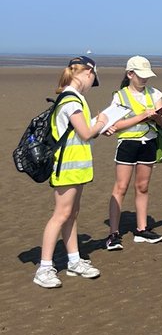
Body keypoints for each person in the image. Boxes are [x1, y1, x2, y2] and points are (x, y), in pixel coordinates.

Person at [33, 56, 109, 289]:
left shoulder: (76, 99)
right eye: (92, 78)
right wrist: (102, 120)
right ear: (87, 73)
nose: (91, 83)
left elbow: (81, 132)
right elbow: (85, 133)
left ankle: (74, 260)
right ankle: (44, 267)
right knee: (61, 214)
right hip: (66, 167)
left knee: (72, 213)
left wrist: (100, 125)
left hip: (77, 168)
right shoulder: (71, 100)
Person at [105, 56, 162, 249]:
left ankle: (142, 229)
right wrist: (141, 116)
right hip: (127, 144)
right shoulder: (120, 96)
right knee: (121, 187)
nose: (144, 79)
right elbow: (115, 124)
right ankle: (113, 234)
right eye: (141, 75)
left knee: (142, 186)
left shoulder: (154, 93)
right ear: (130, 74)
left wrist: (157, 117)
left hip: (148, 143)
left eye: (147, 75)